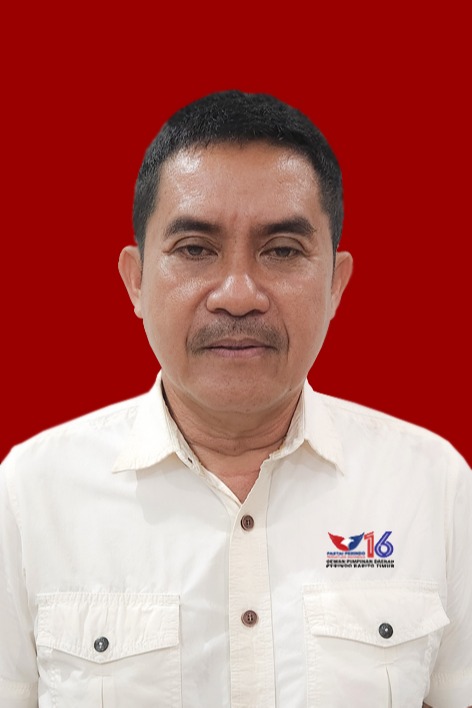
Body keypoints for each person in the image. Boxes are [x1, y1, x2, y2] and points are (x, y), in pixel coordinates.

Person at [0, 90, 470, 708]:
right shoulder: (30, 494)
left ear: (336, 283)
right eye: (196, 249)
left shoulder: (432, 487)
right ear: (135, 280)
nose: (239, 294)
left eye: (282, 250)